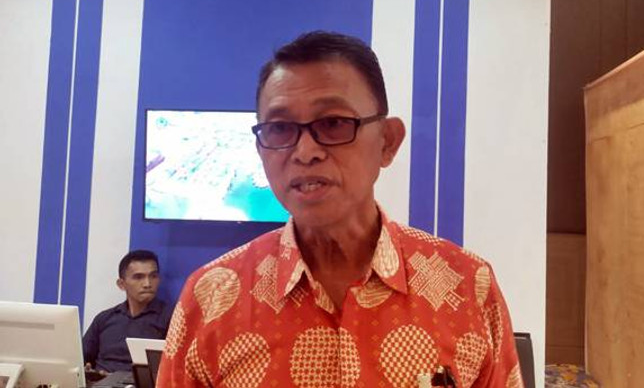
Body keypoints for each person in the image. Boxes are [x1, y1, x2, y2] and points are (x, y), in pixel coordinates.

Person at [157, 31, 522, 387]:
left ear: (387, 142)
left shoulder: (467, 286)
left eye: (333, 123)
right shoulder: (211, 298)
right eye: (280, 128)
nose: (305, 152)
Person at [83, 249, 173, 373]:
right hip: (100, 380)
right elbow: (81, 359)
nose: (147, 284)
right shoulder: (104, 319)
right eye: (138, 277)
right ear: (121, 284)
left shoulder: (172, 318)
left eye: (153, 276)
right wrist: (87, 371)